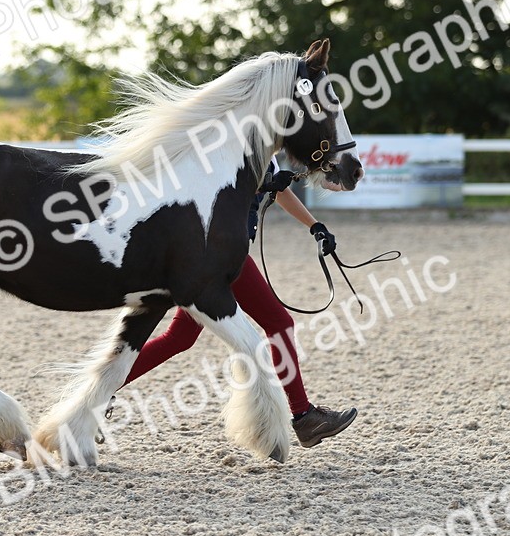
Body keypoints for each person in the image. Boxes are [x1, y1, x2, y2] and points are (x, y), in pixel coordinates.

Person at [119, 158, 358, 448]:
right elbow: (225, 185)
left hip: (216, 253)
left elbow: (279, 190)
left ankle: (105, 389)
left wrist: (314, 225)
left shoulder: (264, 149)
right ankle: (303, 415)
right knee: (279, 323)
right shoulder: (240, 143)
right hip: (221, 252)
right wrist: (266, 183)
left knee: (179, 338)